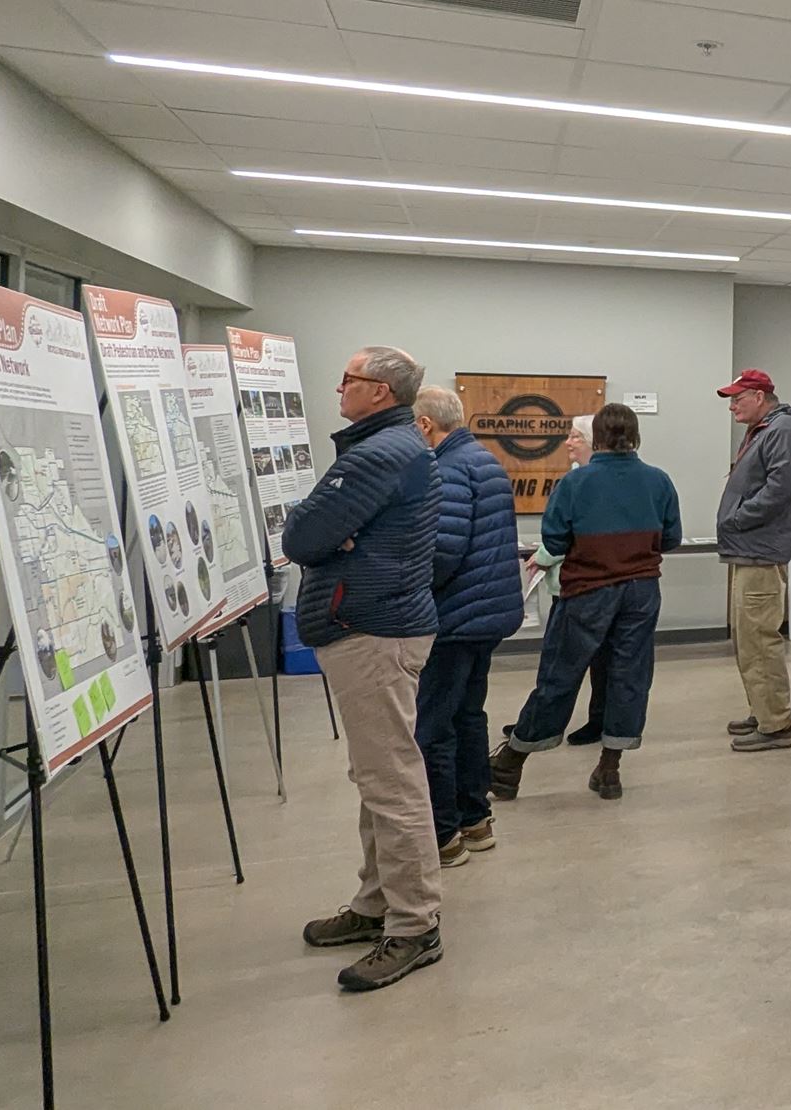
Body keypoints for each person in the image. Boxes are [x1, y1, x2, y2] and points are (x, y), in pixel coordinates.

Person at [285, 344, 443, 992]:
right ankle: (377, 904)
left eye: (349, 379)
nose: (340, 388)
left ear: (381, 392)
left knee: (393, 783)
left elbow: (299, 536)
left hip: (374, 634)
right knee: (377, 777)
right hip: (371, 629)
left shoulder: (384, 454)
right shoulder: (390, 448)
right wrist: (332, 537)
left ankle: (414, 926)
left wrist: (329, 539)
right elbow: (320, 535)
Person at [492, 403, 681, 801]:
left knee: (560, 675)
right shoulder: (659, 481)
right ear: (635, 436)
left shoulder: (574, 485)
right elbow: (670, 539)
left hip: (588, 593)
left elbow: (556, 541)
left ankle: (510, 764)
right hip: (642, 593)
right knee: (629, 676)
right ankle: (609, 770)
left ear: (598, 437)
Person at [411, 386, 522, 868]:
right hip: (486, 614)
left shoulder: (447, 468)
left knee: (433, 726)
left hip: (454, 618)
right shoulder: (485, 460)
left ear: (425, 425)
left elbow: (442, 552)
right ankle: (476, 820)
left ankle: (444, 835)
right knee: (468, 716)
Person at [716, 369, 791, 752]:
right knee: (748, 639)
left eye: (738, 399)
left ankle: (778, 726)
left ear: (759, 396)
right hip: (748, 548)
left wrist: (738, 516)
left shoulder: (782, 430)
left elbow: (780, 490)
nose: (733, 406)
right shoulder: (765, 429)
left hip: (760, 548)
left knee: (760, 640)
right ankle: (763, 710)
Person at [552, 414, 615, 747]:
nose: (568, 442)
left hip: (588, 586)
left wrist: (546, 555)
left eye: (575, 436)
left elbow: (563, 535)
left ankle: (593, 720)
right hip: (572, 583)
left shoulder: (590, 482)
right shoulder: (574, 479)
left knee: (587, 661)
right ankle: (543, 721)